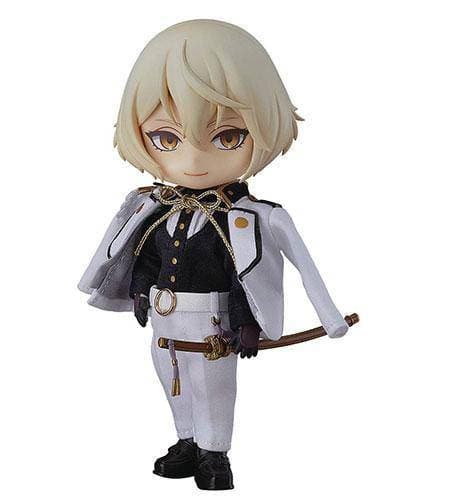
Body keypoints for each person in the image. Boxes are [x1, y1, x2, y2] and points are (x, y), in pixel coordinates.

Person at [79, 19, 349, 491]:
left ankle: (213, 452)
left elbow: (243, 274)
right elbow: (146, 256)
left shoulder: (245, 219)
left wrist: (247, 323)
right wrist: (140, 292)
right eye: (168, 139)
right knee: (173, 380)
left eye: (227, 137)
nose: (193, 161)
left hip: (212, 322)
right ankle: (186, 440)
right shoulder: (155, 209)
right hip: (164, 319)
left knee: (213, 388)